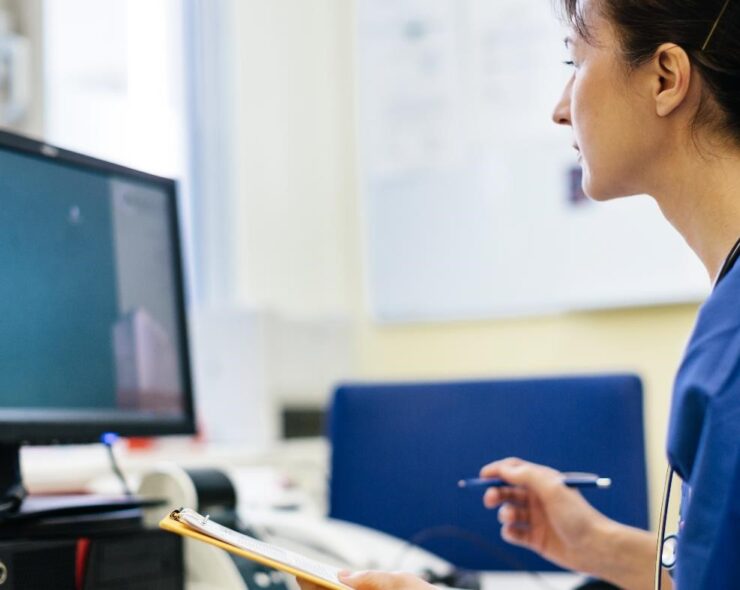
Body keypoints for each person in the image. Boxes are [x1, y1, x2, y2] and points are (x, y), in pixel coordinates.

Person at [300, 0, 740, 588]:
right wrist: (598, 544)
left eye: (575, 62)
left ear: (665, 78)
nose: (561, 110)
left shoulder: (729, 355)